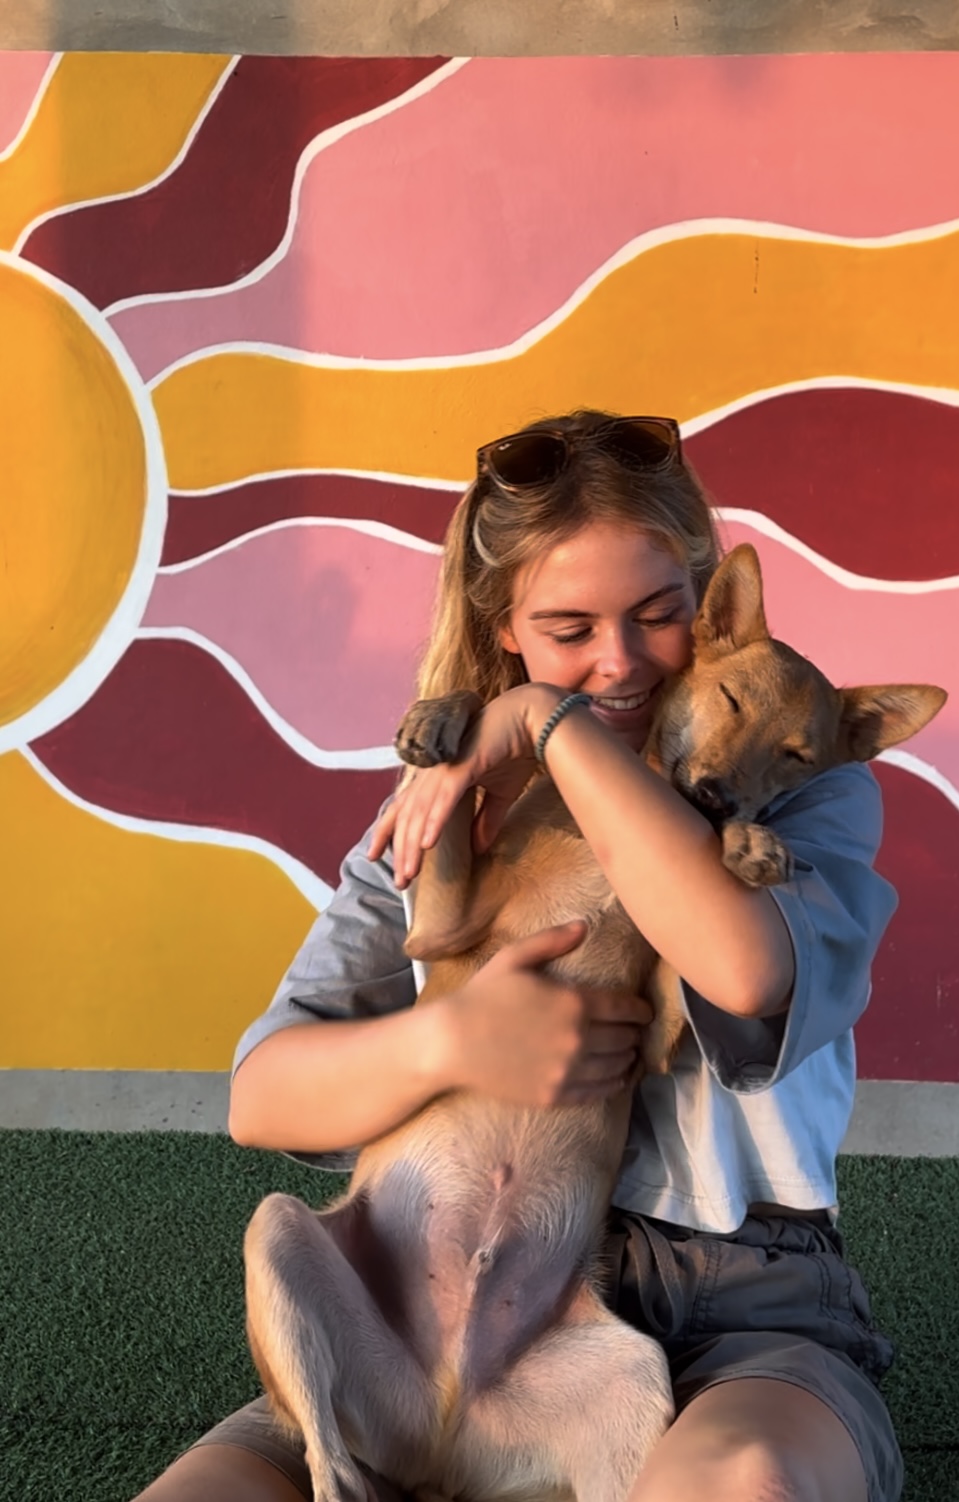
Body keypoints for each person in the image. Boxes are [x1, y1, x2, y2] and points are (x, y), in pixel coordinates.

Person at [134, 410, 904, 1502]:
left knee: (742, 1481)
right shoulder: (449, 797)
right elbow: (260, 1096)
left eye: (657, 615)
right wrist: (451, 1036)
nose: (619, 659)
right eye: (567, 627)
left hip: (722, 1304)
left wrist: (548, 719)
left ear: (709, 610)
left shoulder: (807, 790)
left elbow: (738, 975)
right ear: (503, 627)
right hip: (403, 1302)